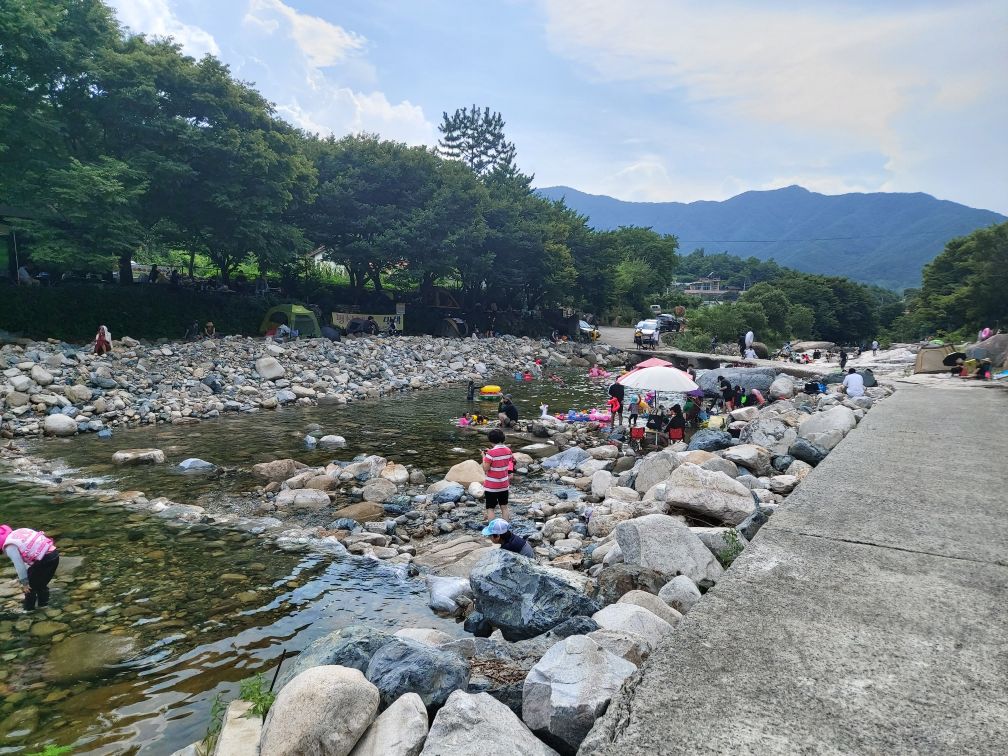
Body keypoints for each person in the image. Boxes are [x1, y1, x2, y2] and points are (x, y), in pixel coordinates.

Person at [1, 524, 59, 611]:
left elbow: (19, 565)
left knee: (29, 588)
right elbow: (29, 556)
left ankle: (28, 610)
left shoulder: (9, 546)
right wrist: (22, 578)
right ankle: (44, 605)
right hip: (54, 554)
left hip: (44, 559)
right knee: (41, 584)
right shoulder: (19, 531)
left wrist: (24, 583)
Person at [482, 429, 514, 523]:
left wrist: (484, 457)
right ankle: (505, 527)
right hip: (504, 485)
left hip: (491, 486)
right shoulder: (508, 450)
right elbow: (510, 462)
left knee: (490, 508)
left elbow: (485, 468)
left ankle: (492, 529)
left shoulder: (490, 453)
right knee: (504, 507)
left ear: (490, 440)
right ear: (503, 439)